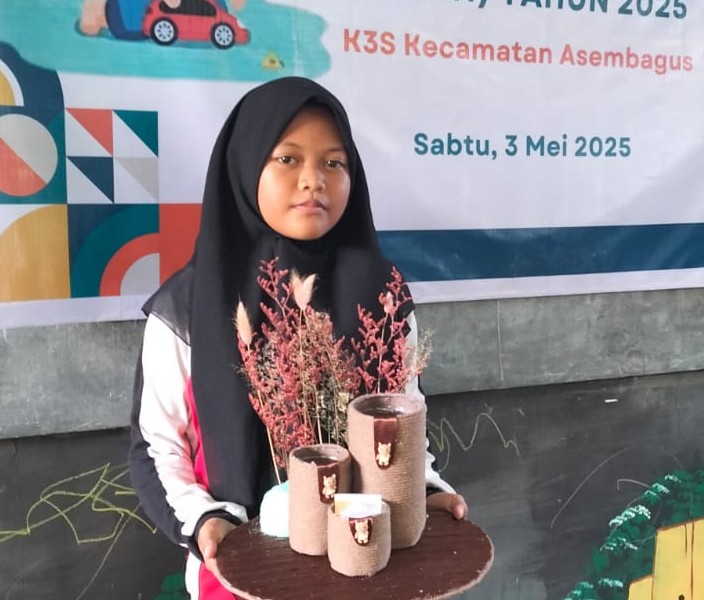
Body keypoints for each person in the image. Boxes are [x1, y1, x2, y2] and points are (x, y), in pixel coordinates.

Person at [128, 76, 468, 599]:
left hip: (369, 568)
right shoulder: (190, 306)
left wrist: (421, 489)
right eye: (287, 159)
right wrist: (203, 520)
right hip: (242, 575)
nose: (314, 181)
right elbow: (157, 446)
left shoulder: (382, 296)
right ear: (246, 166)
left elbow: (403, 419)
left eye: (335, 163)